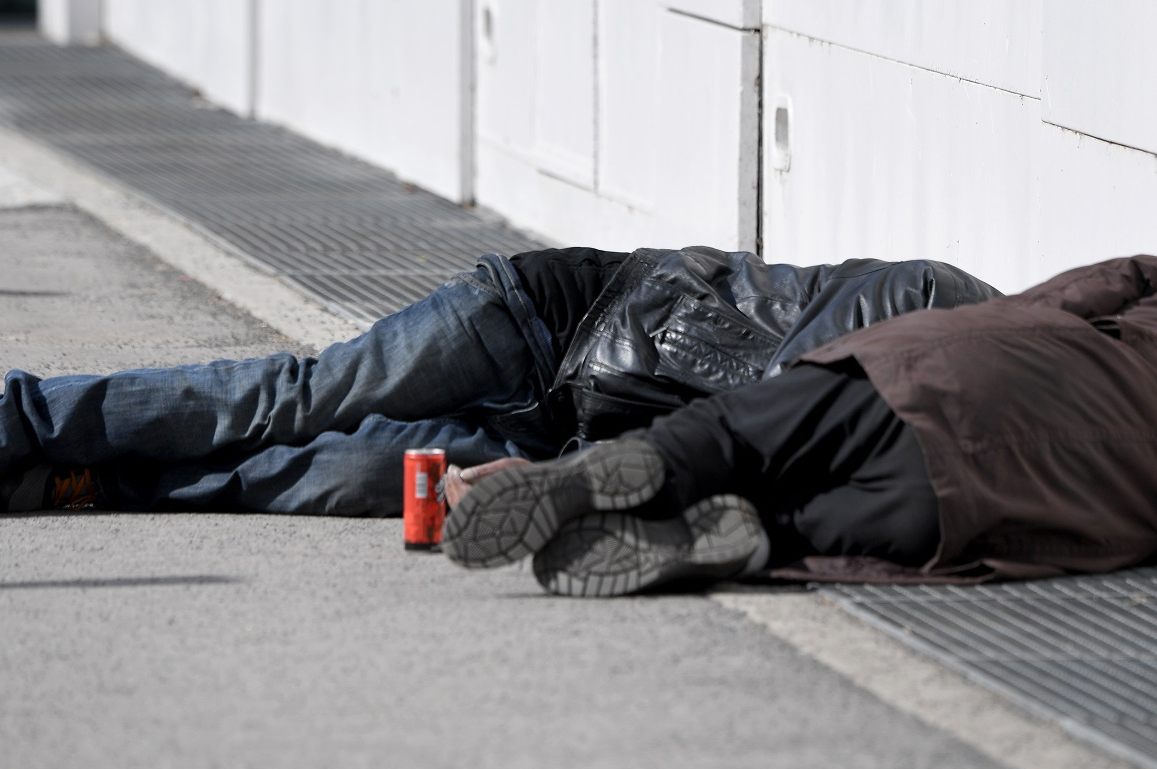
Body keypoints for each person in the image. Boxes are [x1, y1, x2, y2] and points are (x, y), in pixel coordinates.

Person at [0, 247, 998, 516]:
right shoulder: (930, 301)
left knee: (340, 474)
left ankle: (86, 482)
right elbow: (758, 387)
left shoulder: (924, 431)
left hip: (567, 434)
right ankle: (24, 417)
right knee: (297, 398)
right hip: (546, 316)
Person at [442, 255, 1157, 596]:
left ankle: (625, 467)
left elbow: (1078, 293)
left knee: (734, 434)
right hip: (1000, 501)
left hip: (950, 378)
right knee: (799, 526)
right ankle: (747, 540)